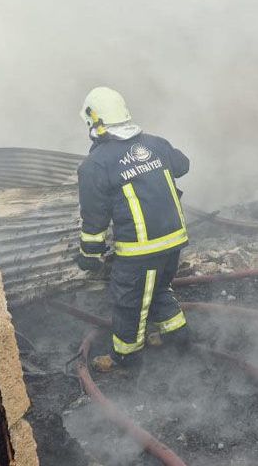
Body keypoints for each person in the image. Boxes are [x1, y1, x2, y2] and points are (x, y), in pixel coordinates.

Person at [76, 86, 191, 371]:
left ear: (94, 122)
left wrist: (90, 253)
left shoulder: (96, 164)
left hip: (141, 251)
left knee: (128, 301)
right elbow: (183, 165)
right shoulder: (156, 143)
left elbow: (95, 217)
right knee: (158, 288)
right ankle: (178, 335)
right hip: (174, 240)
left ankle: (125, 358)